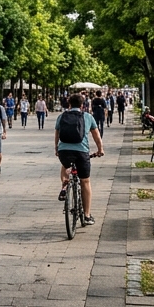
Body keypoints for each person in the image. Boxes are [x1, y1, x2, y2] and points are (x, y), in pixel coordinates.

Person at [55, 93, 105, 224]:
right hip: (81, 152)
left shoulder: (61, 117)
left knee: (65, 166)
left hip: (64, 151)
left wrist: (57, 149)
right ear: (82, 105)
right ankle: (87, 215)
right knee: (85, 182)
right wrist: (100, 150)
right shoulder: (88, 117)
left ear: (69, 104)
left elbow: (57, 134)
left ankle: (65, 184)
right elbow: (96, 136)